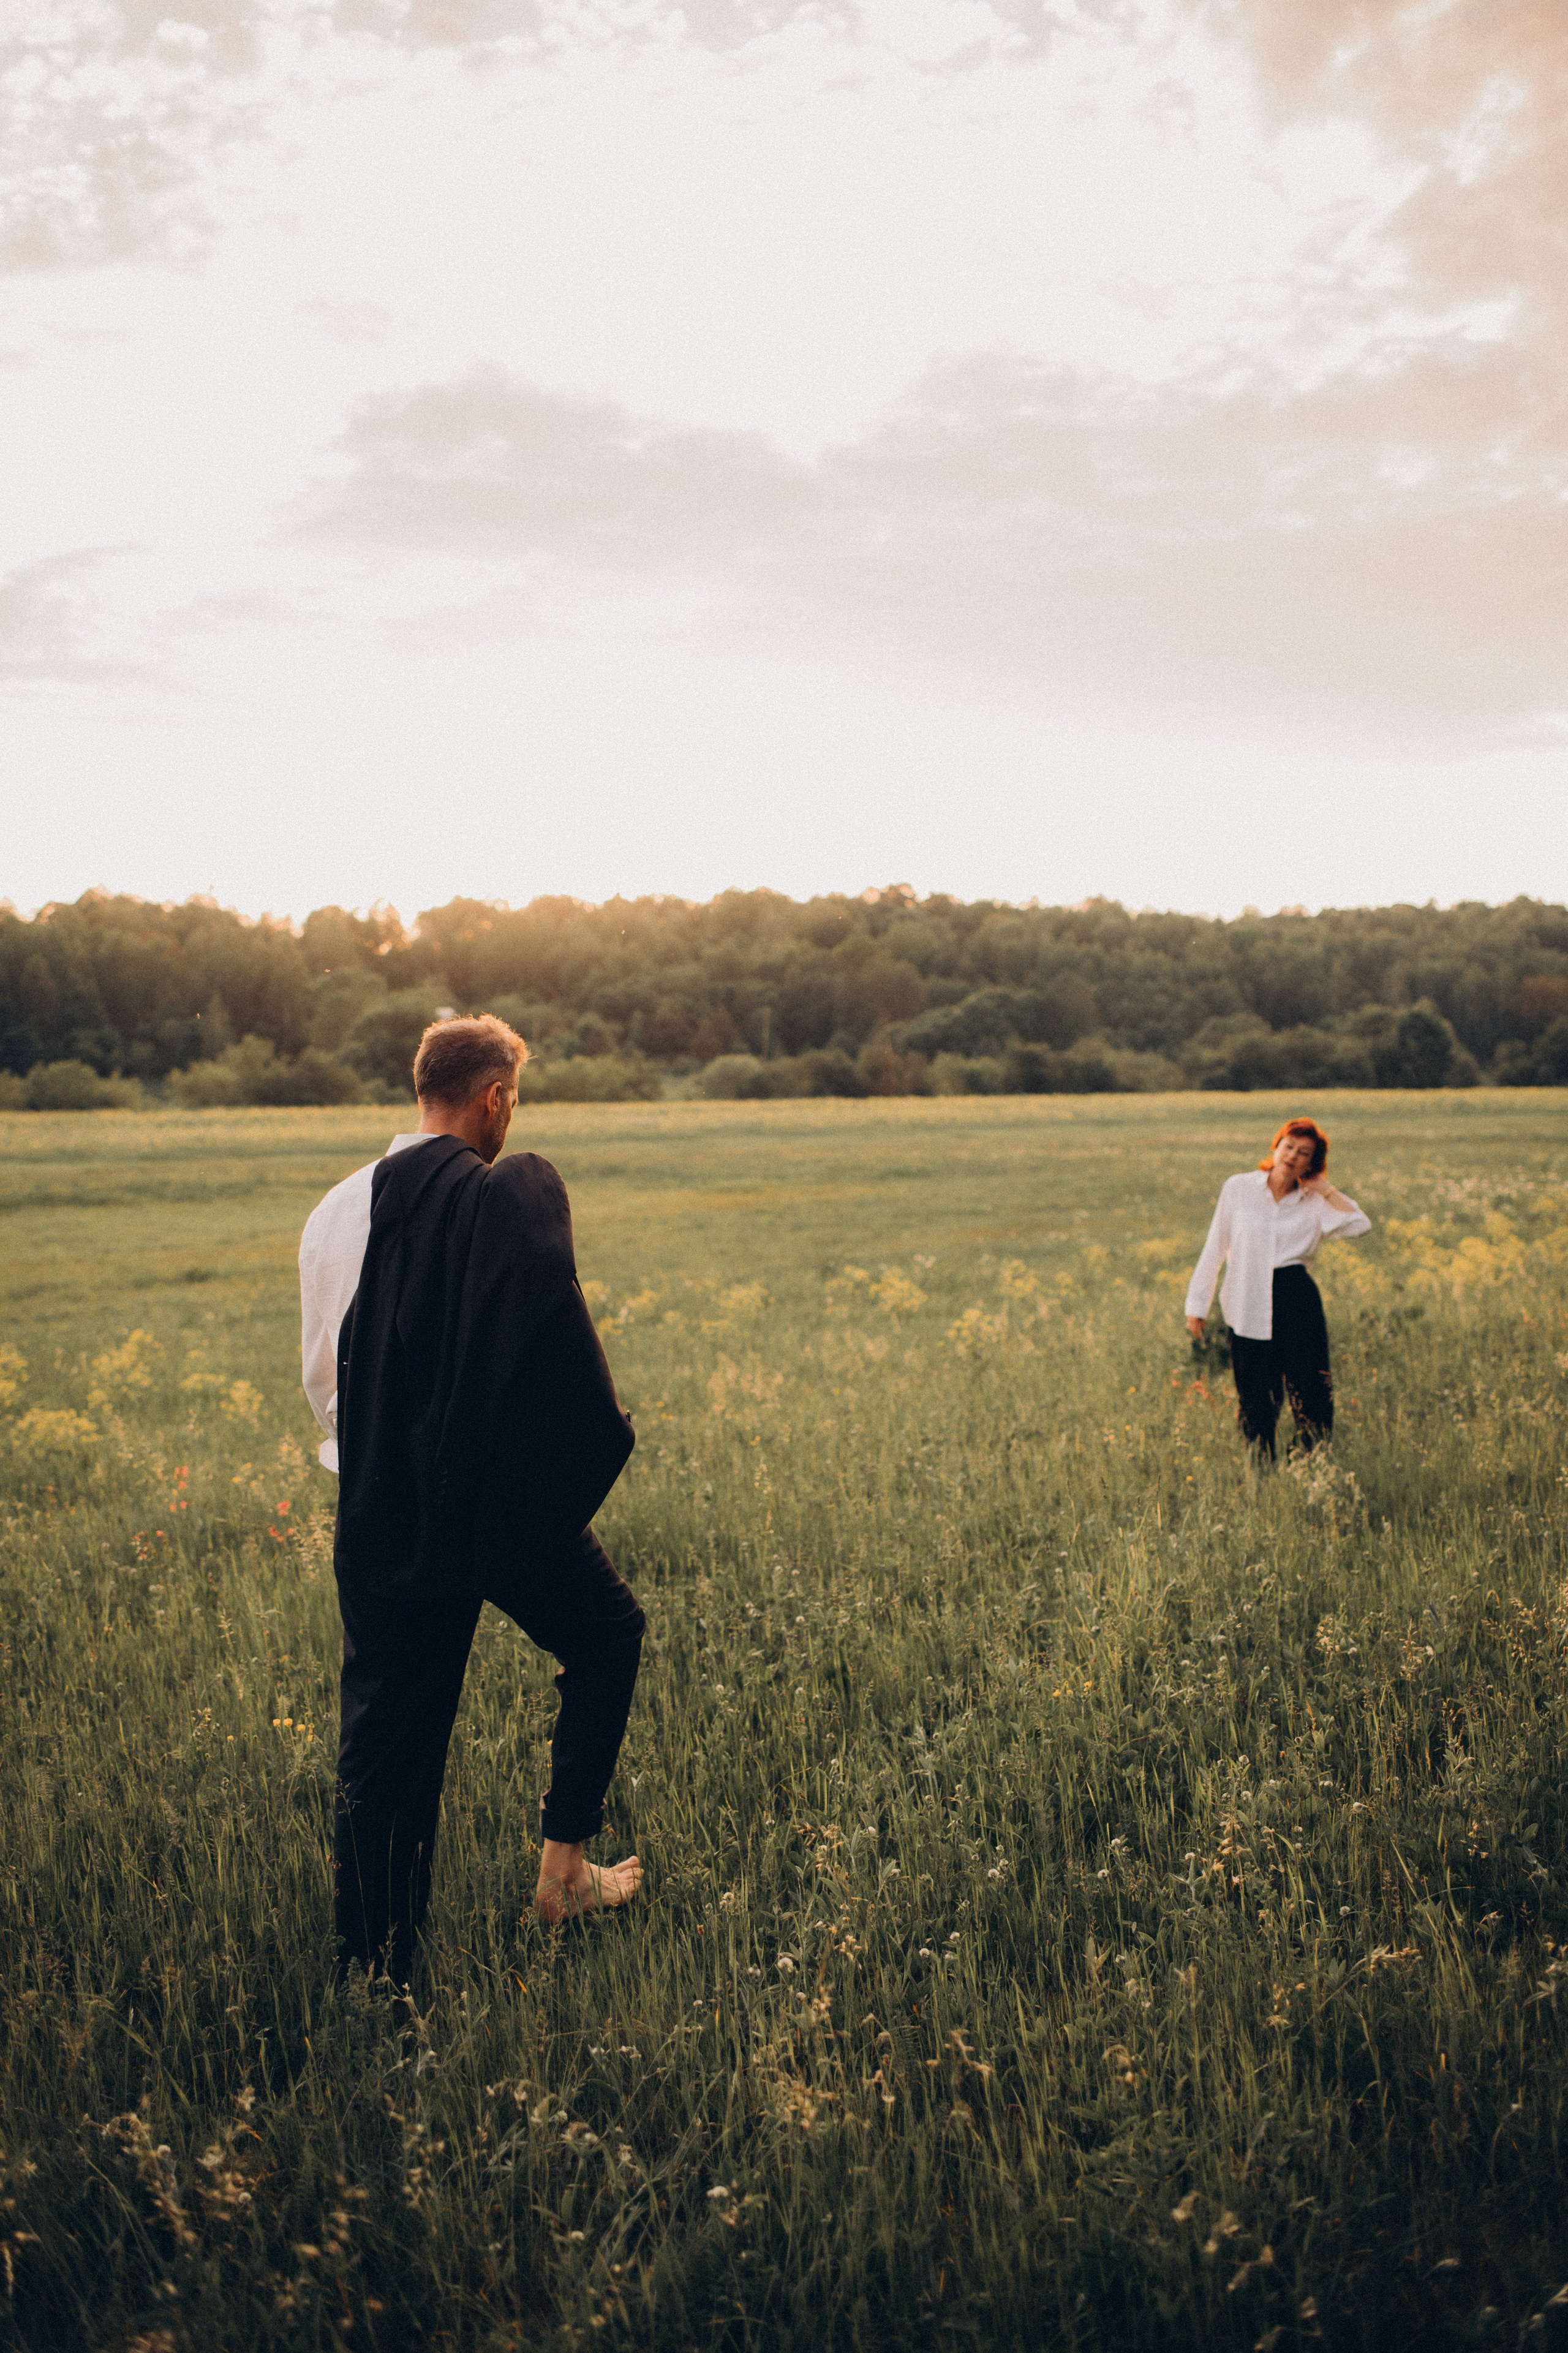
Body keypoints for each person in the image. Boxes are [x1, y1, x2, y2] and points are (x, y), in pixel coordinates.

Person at [298, 1013, 645, 1986]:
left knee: (385, 1735)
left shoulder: (335, 1212)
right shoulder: (495, 1201)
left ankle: (374, 1969)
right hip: (499, 1508)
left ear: (422, 1088)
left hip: (378, 1506)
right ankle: (564, 1871)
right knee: (607, 1632)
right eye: (513, 1101)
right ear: (495, 1099)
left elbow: (327, 1380)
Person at [1184, 1116, 1370, 1460]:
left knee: (1310, 1387)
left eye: (1304, 1153)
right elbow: (1215, 1247)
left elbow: (1360, 1224)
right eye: (1289, 1146)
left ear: (1312, 1163)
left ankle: (1309, 1461)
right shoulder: (1238, 1188)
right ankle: (1260, 1465)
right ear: (1276, 1147)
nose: (1293, 1156)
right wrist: (1197, 1306)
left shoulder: (1315, 1201)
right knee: (1255, 1390)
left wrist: (1325, 1189)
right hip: (1247, 1296)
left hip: (1296, 1295)